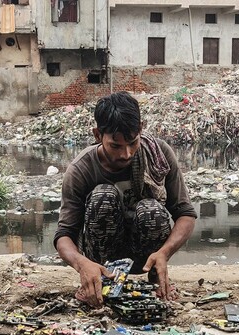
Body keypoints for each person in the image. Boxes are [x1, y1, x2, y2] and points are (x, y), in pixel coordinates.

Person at [54, 91, 197, 307]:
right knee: (103, 195)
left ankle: (156, 279)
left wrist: (164, 253)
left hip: (147, 258)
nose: (126, 154)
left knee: (152, 209)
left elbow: (185, 214)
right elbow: (64, 234)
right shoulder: (80, 169)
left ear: (141, 128)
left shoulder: (159, 154)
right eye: (116, 145)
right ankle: (98, 280)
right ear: (97, 135)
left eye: (133, 142)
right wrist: (81, 263)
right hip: (103, 261)